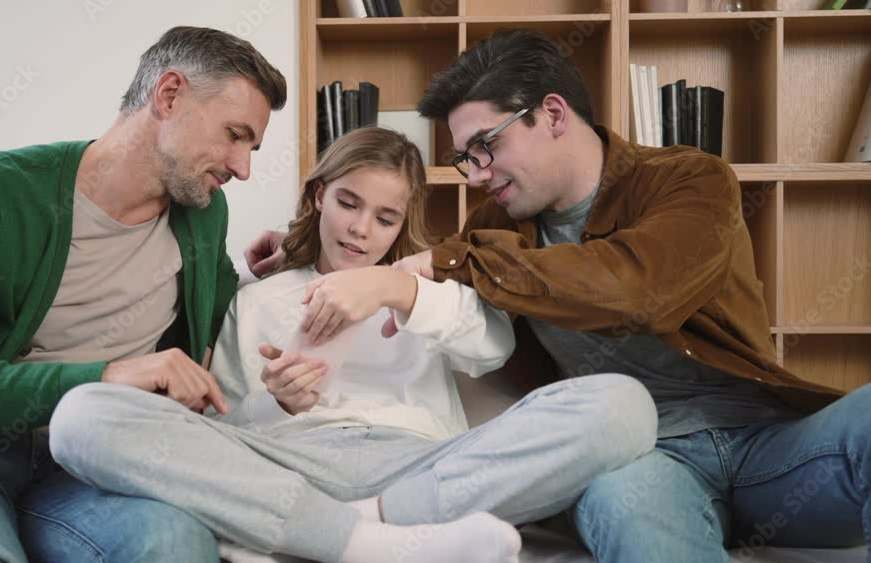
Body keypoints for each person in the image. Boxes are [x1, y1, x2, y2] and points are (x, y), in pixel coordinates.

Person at [247, 28, 870, 563]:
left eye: (485, 147)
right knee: (626, 507)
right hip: (638, 460)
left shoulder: (689, 180)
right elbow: (416, 262)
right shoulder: (492, 228)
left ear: (551, 114)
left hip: (768, 443)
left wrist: (447, 261)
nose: (478, 174)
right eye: (466, 159)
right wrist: (302, 242)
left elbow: (639, 289)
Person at [48, 126, 659, 563]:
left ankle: (354, 531)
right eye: (347, 203)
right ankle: (362, 541)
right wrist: (277, 405)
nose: (361, 230)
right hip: (288, 468)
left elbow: (493, 347)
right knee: (84, 414)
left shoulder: (425, 287)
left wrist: (396, 289)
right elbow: (225, 431)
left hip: (421, 470)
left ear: (402, 224)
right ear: (320, 195)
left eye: (385, 218)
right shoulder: (259, 299)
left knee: (624, 405)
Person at [0, 26, 286, 562]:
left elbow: (225, 296)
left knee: (173, 543)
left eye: (252, 146)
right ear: (169, 95)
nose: (243, 168)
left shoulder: (203, 214)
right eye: (234, 134)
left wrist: (303, 252)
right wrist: (104, 376)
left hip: (89, 464)